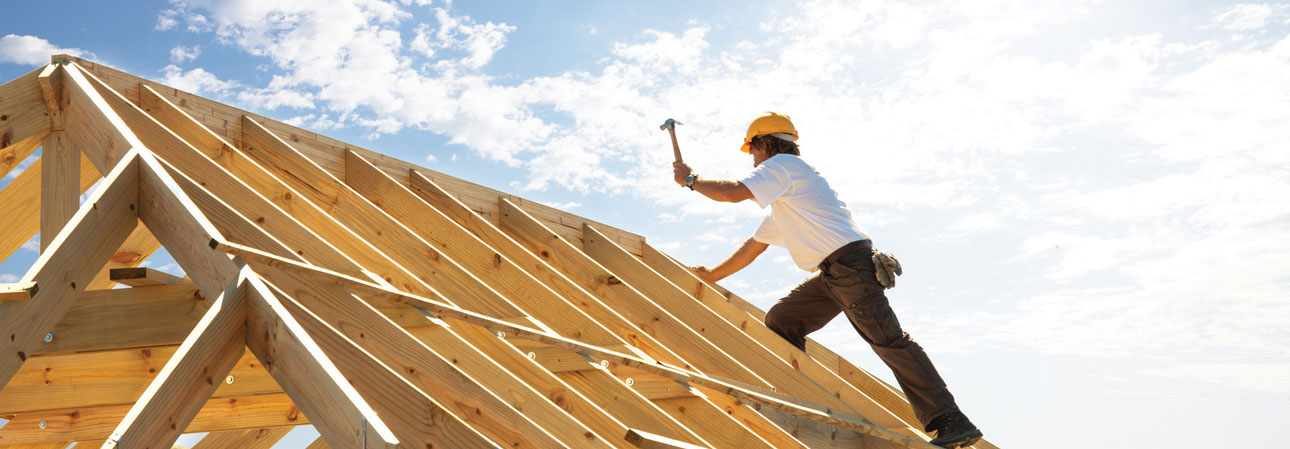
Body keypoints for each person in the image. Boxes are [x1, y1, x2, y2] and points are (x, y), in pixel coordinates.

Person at [670, 112, 983, 449]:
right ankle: (802, 393)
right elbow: (753, 248)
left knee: (889, 342)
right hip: (834, 273)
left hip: (850, 267)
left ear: (764, 144)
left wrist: (692, 180)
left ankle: (951, 420)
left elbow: (732, 193)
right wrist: (712, 276)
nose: (753, 159)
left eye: (753, 151)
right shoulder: (790, 198)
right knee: (782, 320)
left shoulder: (784, 168)